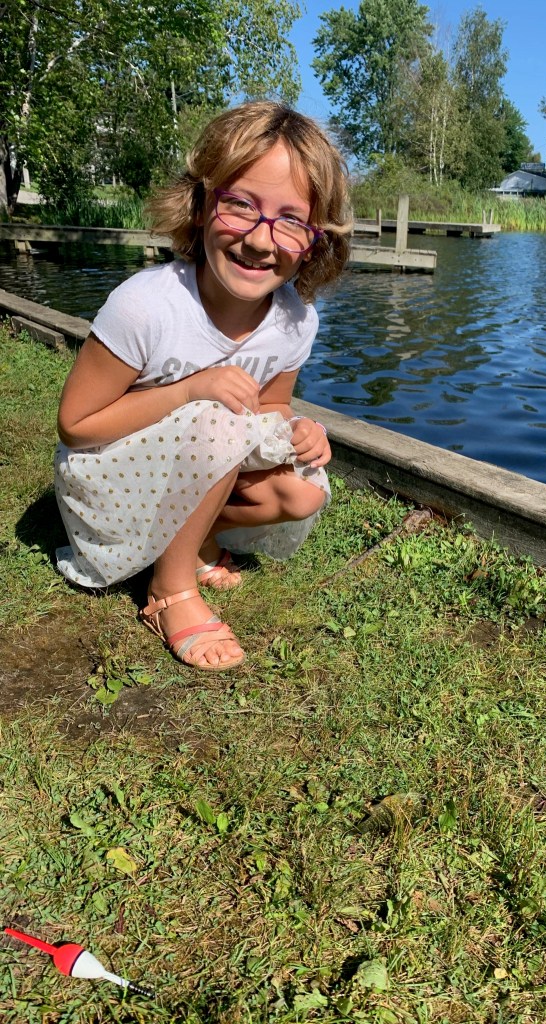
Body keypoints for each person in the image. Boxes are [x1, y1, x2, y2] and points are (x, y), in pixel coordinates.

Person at [54, 102, 352, 672]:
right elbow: (76, 426)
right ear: (200, 204)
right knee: (217, 418)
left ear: (315, 240)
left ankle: (189, 542)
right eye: (240, 204)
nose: (261, 240)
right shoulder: (147, 305)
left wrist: (300, 429)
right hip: (105, 481)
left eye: (291, 220)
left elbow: (271, 404)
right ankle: (170, 591)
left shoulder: (296, 319)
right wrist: (190, 390)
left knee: (303, 492)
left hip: (197, 459)